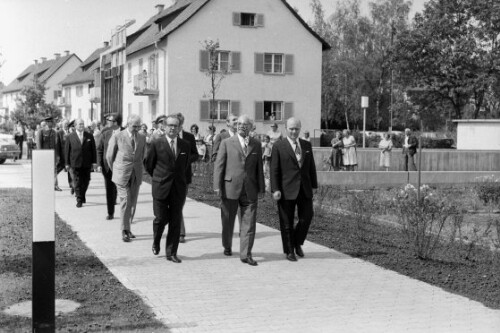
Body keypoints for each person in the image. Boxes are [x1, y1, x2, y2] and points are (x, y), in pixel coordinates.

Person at [213, 115, 265, 266]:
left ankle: (245, 254)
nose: (242, 126)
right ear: (236, 126)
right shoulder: (227, 143)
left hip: (250, 189)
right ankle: (227, 245)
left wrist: (261, 187)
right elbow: (219, 165)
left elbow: (259, 168)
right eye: (240, 123)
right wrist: (217, 186)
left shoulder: (256, 144)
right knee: (228, 221)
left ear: (251, 127)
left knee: (249, 223)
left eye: (246, 124)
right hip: (230, 188)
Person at [270, 117, 318, 262]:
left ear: (300, 128)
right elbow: (274, 170)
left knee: (307, 217)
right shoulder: (279, 146)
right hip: (286, 190)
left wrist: (314, 185)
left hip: (304, 188)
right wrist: (275, 189)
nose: (294, 131)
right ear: (286, 129)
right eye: (291, 128)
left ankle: (297, 242)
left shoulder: (306, 145)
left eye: (296, 128)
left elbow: (311, 167)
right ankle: (289, 250)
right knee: (286, 222)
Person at [145, 114, 191, 263]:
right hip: (161, 186)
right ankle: (156, 240)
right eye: (170, 125)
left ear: (179, 128)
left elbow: (186, 167)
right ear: (164, 127)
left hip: (178, 188)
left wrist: (183, 182)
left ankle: (171, 252)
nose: (172, 128)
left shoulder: (185, 145)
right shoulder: (156, 143)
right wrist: (159, 177)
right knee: (160, 218)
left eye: (175, 126)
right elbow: (149, 165)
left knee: (175, 220)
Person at [106, 114, 147, 242]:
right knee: (125, 200)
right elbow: (109, 156)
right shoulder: (118, 136)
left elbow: (143, 156)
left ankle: (128, 228)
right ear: (128, 124)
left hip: (136, 174)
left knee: (133, 203)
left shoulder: (142, 137)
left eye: (138, 126)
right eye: (134, 126)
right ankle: (124, 230)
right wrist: (116, 170)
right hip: (121, 174)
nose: (136, 128)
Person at [176, 113, 200, 244]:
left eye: (179, 124)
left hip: (184, 175)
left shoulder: (189, 137)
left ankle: (179, 230)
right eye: (174, 123)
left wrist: (185, 160)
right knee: (175, 204)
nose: (176, 126)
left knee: (179, 204)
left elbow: (196, 154)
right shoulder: (167, 137)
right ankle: (180, 232)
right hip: (170, 176)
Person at [64, 119, 97, 208]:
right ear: (75, 126)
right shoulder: (70, 136)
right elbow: (67, 151)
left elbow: (93, 150)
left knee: (86, 180)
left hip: (87, 162)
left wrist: (94, 162)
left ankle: (82, 194)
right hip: (75, 162)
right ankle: (79, 199)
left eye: (83, 124)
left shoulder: (89, 136)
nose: (81, 126)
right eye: (80, 124)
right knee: (77, 181)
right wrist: (67, 163)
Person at [97, 113, 121, 220]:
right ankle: (110, 212)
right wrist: (99, 165)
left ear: (115, 122)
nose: (108, 123)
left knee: (124, 191)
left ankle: (127, 214)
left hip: (121, 167)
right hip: (108, 167)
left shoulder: (125, 133)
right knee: (110, 190)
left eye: (110, 121)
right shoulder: (105, 133)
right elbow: (100, 149)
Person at [36, 117, 62, 191]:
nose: (52, 123)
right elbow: (39, 144)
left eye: (52, 122)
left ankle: (55, 185)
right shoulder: (41, 131)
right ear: (47, 123)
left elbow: (56, 144)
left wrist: (57, 155)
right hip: (44, 154)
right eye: (50, 122)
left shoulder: (54, 132)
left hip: (53, 154)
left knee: (54, 170)